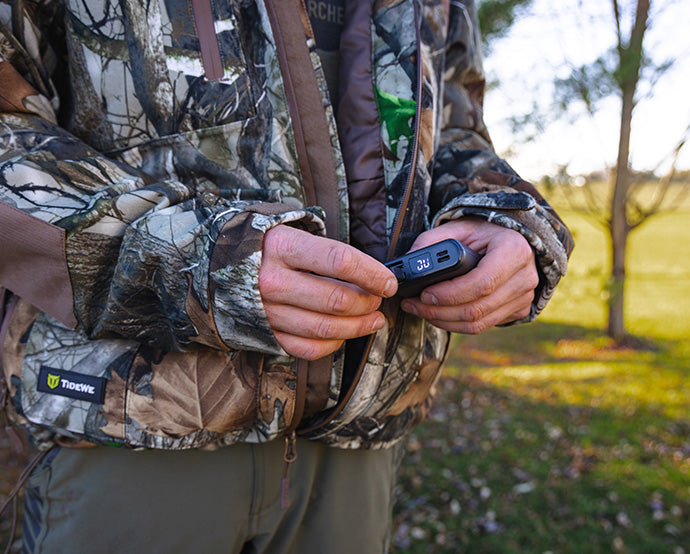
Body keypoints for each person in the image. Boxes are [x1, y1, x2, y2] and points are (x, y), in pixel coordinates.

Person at [0, 0, 573, 551]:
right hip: (129, 422)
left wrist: (504, 217)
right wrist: (202, 260)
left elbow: (453, 129)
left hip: (356, 441)